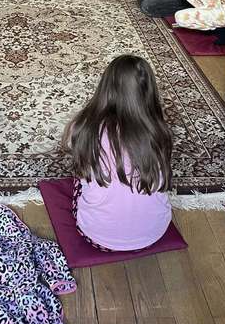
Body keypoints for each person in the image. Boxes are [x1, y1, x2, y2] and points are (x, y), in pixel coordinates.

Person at [64, 55, 172, 251]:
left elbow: (74, 153)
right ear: (149, 92)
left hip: (97, 236)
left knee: (81, 174)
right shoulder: (159, 131)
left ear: (106, 88)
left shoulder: (83, 128)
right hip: (155, 232)